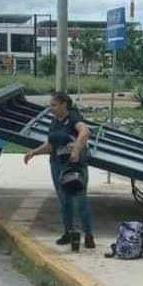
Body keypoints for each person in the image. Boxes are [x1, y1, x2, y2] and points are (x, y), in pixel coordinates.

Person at [24, 93, 95, 249]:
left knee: (80, 199)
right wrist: (34, 152)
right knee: (64, 201)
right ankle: (68, 233)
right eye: (50, 105)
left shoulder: (73, 118)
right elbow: (51, 145)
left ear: (64, 104)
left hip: (74, 165)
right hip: (56, 164)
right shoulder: (55, 121)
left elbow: (85, 133)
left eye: (54, 105)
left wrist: (76, 150)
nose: (51, 108)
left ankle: (89, 235)